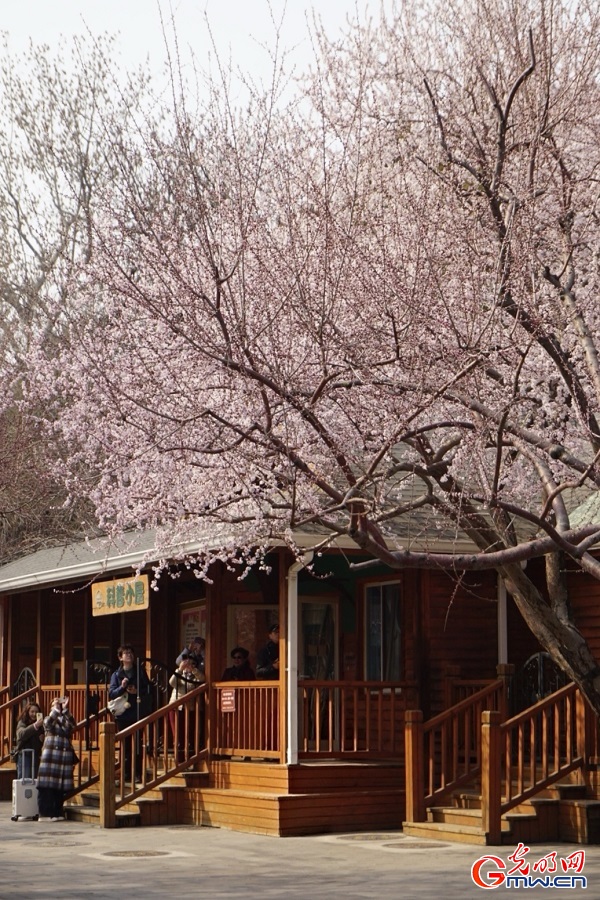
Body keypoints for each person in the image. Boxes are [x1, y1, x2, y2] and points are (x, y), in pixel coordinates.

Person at [109, 644, 152, 783]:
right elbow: (111, 693)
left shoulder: (139, 671)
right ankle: (126, 773)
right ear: (120, 657)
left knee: (137, 745)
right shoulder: (116, 675)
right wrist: (122, 687)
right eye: (126, 653)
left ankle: (138, 773)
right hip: (123, 714)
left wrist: (137, 691)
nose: (129, 655)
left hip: (137, 712)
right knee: (126, 745)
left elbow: (148, 688)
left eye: (130, 653)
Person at [37, 696, 76, 822]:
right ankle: (44, 813)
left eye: (59, 702)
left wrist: (65, 710)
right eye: (55, 703)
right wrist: (55, 709)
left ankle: (56, 812)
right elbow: (47, 725)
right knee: (47, 786)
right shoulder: (49, 717)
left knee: (59, 786)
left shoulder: (64, 718)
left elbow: (72, 726)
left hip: (63, 758)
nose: (58, 704)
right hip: (50, 756)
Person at [168, 651, 205, 760]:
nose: (189, 665)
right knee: (177, 734)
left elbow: (202, 679)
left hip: (190, 708)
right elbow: (172, 682)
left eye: (192, 663)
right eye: (187, 663)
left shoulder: (195, 676)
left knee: (188, 733)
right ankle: (178, 758)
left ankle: (188, 757)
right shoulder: (178, 673)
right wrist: (180, 669)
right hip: (176, 707)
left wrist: (193, 670)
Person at [14, 702, 45, 780]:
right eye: (32, 712)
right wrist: (35, 726)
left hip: (36, 756)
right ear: (27, 712)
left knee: (34, 782)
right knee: (24, 781)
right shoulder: (22, 722)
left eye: (37, 712)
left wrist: (43, 739)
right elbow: (21, 734)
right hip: (25, 755)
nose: (34, 714)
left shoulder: (41, 726)